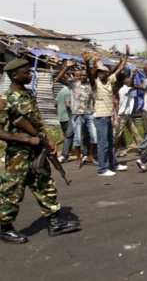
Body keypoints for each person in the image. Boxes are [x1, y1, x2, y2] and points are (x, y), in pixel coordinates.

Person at [0, 58, 81, 244]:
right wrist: (26, 139)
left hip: (38, 151)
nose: (30, 75)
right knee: (12, 191)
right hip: (19, 155)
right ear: (14, 75)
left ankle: (54, 222)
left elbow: (37, 123)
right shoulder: (6, 100)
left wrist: (49, 140)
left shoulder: (28, 95)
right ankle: (5, 227)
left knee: (45, 185)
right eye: (26, 72)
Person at [85, 48, 129, 177]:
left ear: (107, 73)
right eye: (98, 72)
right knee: (103, 144)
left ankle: (114, 164)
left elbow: (120, 69)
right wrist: (87, 64)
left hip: (108, 116)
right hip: (100, 118)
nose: (100, 74)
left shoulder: (109, 81)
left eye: (102, 72)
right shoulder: (95, 84)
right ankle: (102, 169)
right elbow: (89, 76)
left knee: (110, 142)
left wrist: (126, 55)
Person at [55, 59, 98, 168]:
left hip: (89, 113)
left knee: (94, 137)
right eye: (81, 75)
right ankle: (78, 160)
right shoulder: (73, 84)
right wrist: (67, 67)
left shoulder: (91, 84)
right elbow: (58, 79)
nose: (83, 77)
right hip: (77, 115)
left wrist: (91, 64)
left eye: (85, 75)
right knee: (77, 138)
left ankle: (90, 157)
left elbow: (92, 73)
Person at [54, 84, 74, 163]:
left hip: (61, 116)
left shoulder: (60, 92)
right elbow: (67, 104)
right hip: (68, 117)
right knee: (68, 135)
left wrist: (60, 109)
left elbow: (55, 104)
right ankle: (64, 154)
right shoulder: (69, 92)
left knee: (68, 135)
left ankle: (69, 151)